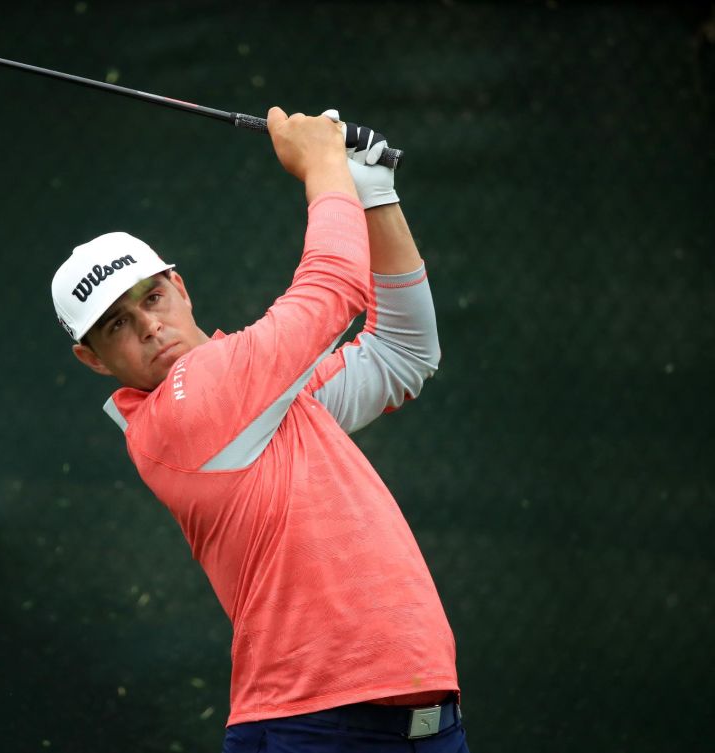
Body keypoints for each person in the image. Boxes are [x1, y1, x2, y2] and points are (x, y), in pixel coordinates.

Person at [50, 107, 468, 752]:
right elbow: (331, 288)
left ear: (179, 289)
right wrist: (322, 165)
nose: (148, 328)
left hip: (422, 724)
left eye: (151, 299)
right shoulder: (188, 409)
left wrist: (374, 196)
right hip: (313, 727)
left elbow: (404, 355)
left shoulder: (270, 405)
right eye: (115, 326)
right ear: (94, 359)